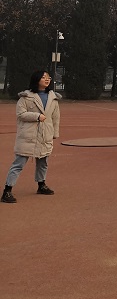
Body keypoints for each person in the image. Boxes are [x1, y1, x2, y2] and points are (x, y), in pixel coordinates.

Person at [2, 71, 60, 203]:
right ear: (36, 79)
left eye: (48, 77)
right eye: (43, 77)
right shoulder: (26, 97)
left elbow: (56, 117)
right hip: (28, 136)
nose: (47, 79)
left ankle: (41, 185)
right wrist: (37, 116)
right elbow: (20, 114)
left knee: (43, 162)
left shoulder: (53, 98)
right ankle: (7, 191)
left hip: (45, 135)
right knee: (19, 163)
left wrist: (54, 133)